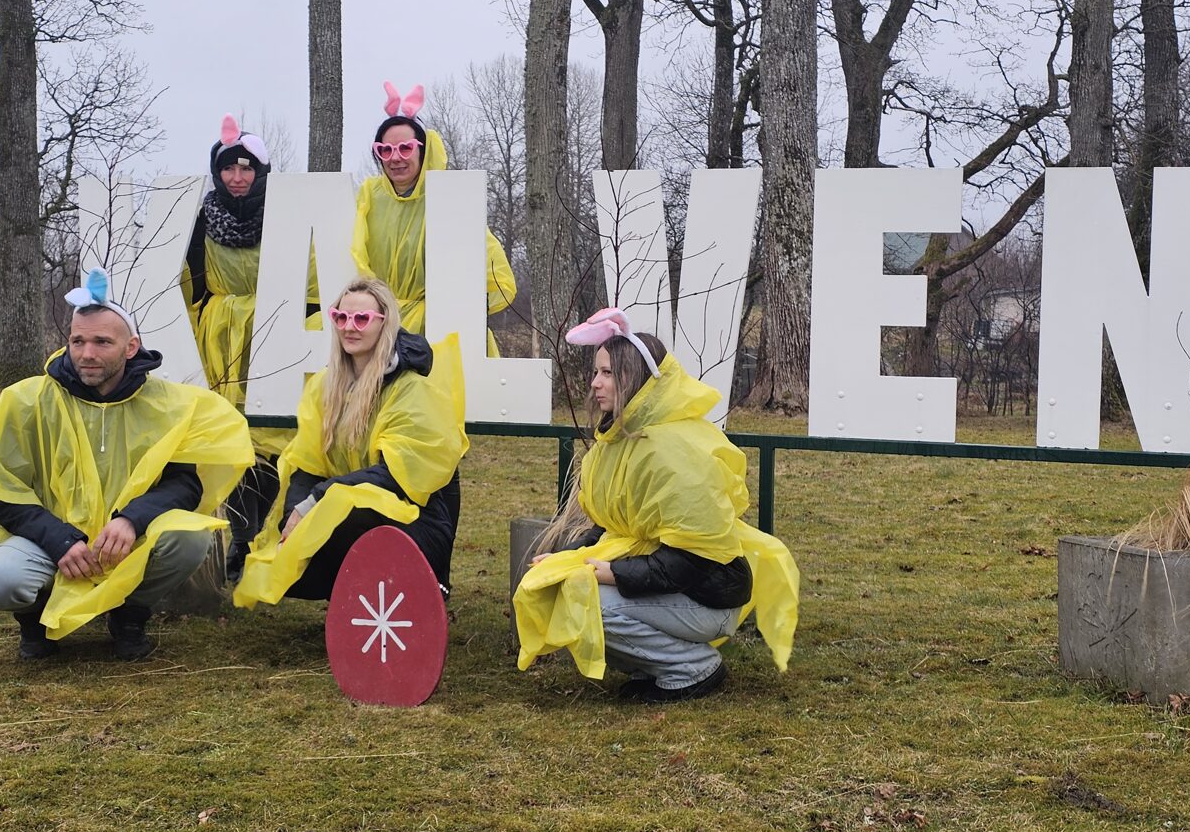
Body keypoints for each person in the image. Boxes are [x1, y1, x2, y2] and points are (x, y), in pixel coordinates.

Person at [0, 268, 254, 660]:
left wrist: (131, 520)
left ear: (130, 347)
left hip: (125, 542)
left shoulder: (164, 405)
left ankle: (129, 616)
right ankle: (35, 621)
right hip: (48, 541)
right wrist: (58, 539)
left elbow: (184, 485)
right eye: (77, 341)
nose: (87, 354)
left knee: (190, 539)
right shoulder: (27, 401)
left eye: (101, 342)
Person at [513, 308, 800, 702]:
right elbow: (612, 525)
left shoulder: (674, 452)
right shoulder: (622, 441)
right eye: (596, 372)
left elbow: (691, 558)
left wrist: (612, 573)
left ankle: (693, 668)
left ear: (636, 378)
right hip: (674, 586)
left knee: (590, 603)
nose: (595, 383)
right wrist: (567, 559)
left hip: (705, 595)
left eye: (608, 373)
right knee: (565, 587)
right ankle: (661, 664)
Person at [234, 277, 467, 609]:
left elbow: (395, 477)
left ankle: (418, 586)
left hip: (414, 523)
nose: (349, 327)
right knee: (288, 565)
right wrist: (293, 518)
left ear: (385, 324)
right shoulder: (325, 386)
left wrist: (317, 500)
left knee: (354, 513)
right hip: (346, 509)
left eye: (362, 319)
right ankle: (356, 596)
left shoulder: (412, 389)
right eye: (341, 317)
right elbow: (306, 464)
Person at [181, 115, 296, 582]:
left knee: (273, 439)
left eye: (246, 168)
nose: (237, 177)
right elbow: (191, 281)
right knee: (231, 440)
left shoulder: (286, 216)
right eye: (228, 168)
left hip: (275, 335)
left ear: (261, 170)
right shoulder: (203, 220)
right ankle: (239, 539)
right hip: (222, 342)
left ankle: (269, 537)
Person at [354, 82, 516, 351]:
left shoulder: (449, 200)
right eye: (386, 150)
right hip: (379, 329)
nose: (395, 158)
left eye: (405, 148)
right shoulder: (368, 197)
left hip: (441, 331)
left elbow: (495, 273)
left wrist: (460, 308)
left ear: (423, 149)